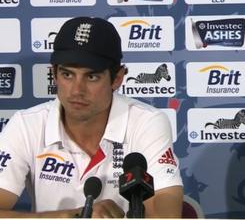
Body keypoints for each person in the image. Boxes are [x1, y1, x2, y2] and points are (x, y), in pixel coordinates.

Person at [0, 17, 183, 218]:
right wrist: (72, 216)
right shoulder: (26, 125)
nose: (77, 90)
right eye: (67, 75)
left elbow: (167, 215)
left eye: (92, 76)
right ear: (54, 74)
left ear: (118, 78)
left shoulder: (147, 122)